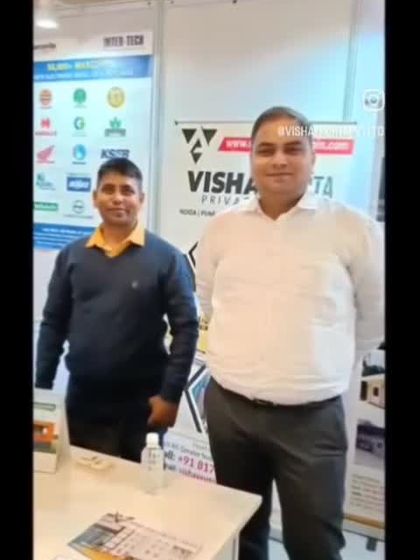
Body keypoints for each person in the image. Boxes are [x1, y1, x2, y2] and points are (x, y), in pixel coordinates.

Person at [196, 107, 384, 560]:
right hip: (230, 411)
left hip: (311, 420)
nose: (279, 159)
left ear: (313, 157)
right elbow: (209, 301)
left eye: (293, 148)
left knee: (314, 544)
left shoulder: (352, 229)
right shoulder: (222, 228)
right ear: (251, 159)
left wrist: (321, 366)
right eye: (266, 150)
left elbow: (374, 318)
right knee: (241, 535)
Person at [35, 157, 199, 461]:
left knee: (138, 487)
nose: (118, 198)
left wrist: (170, 395)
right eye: (108, 189)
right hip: (82, 401)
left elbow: (187, 328)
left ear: (141, 199)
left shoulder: (167, 258)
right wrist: (41, 390)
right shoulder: (72, 256)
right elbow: (53, 324)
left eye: (127, 190)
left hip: (143, 405)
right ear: (94, 197)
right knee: (81, 482)